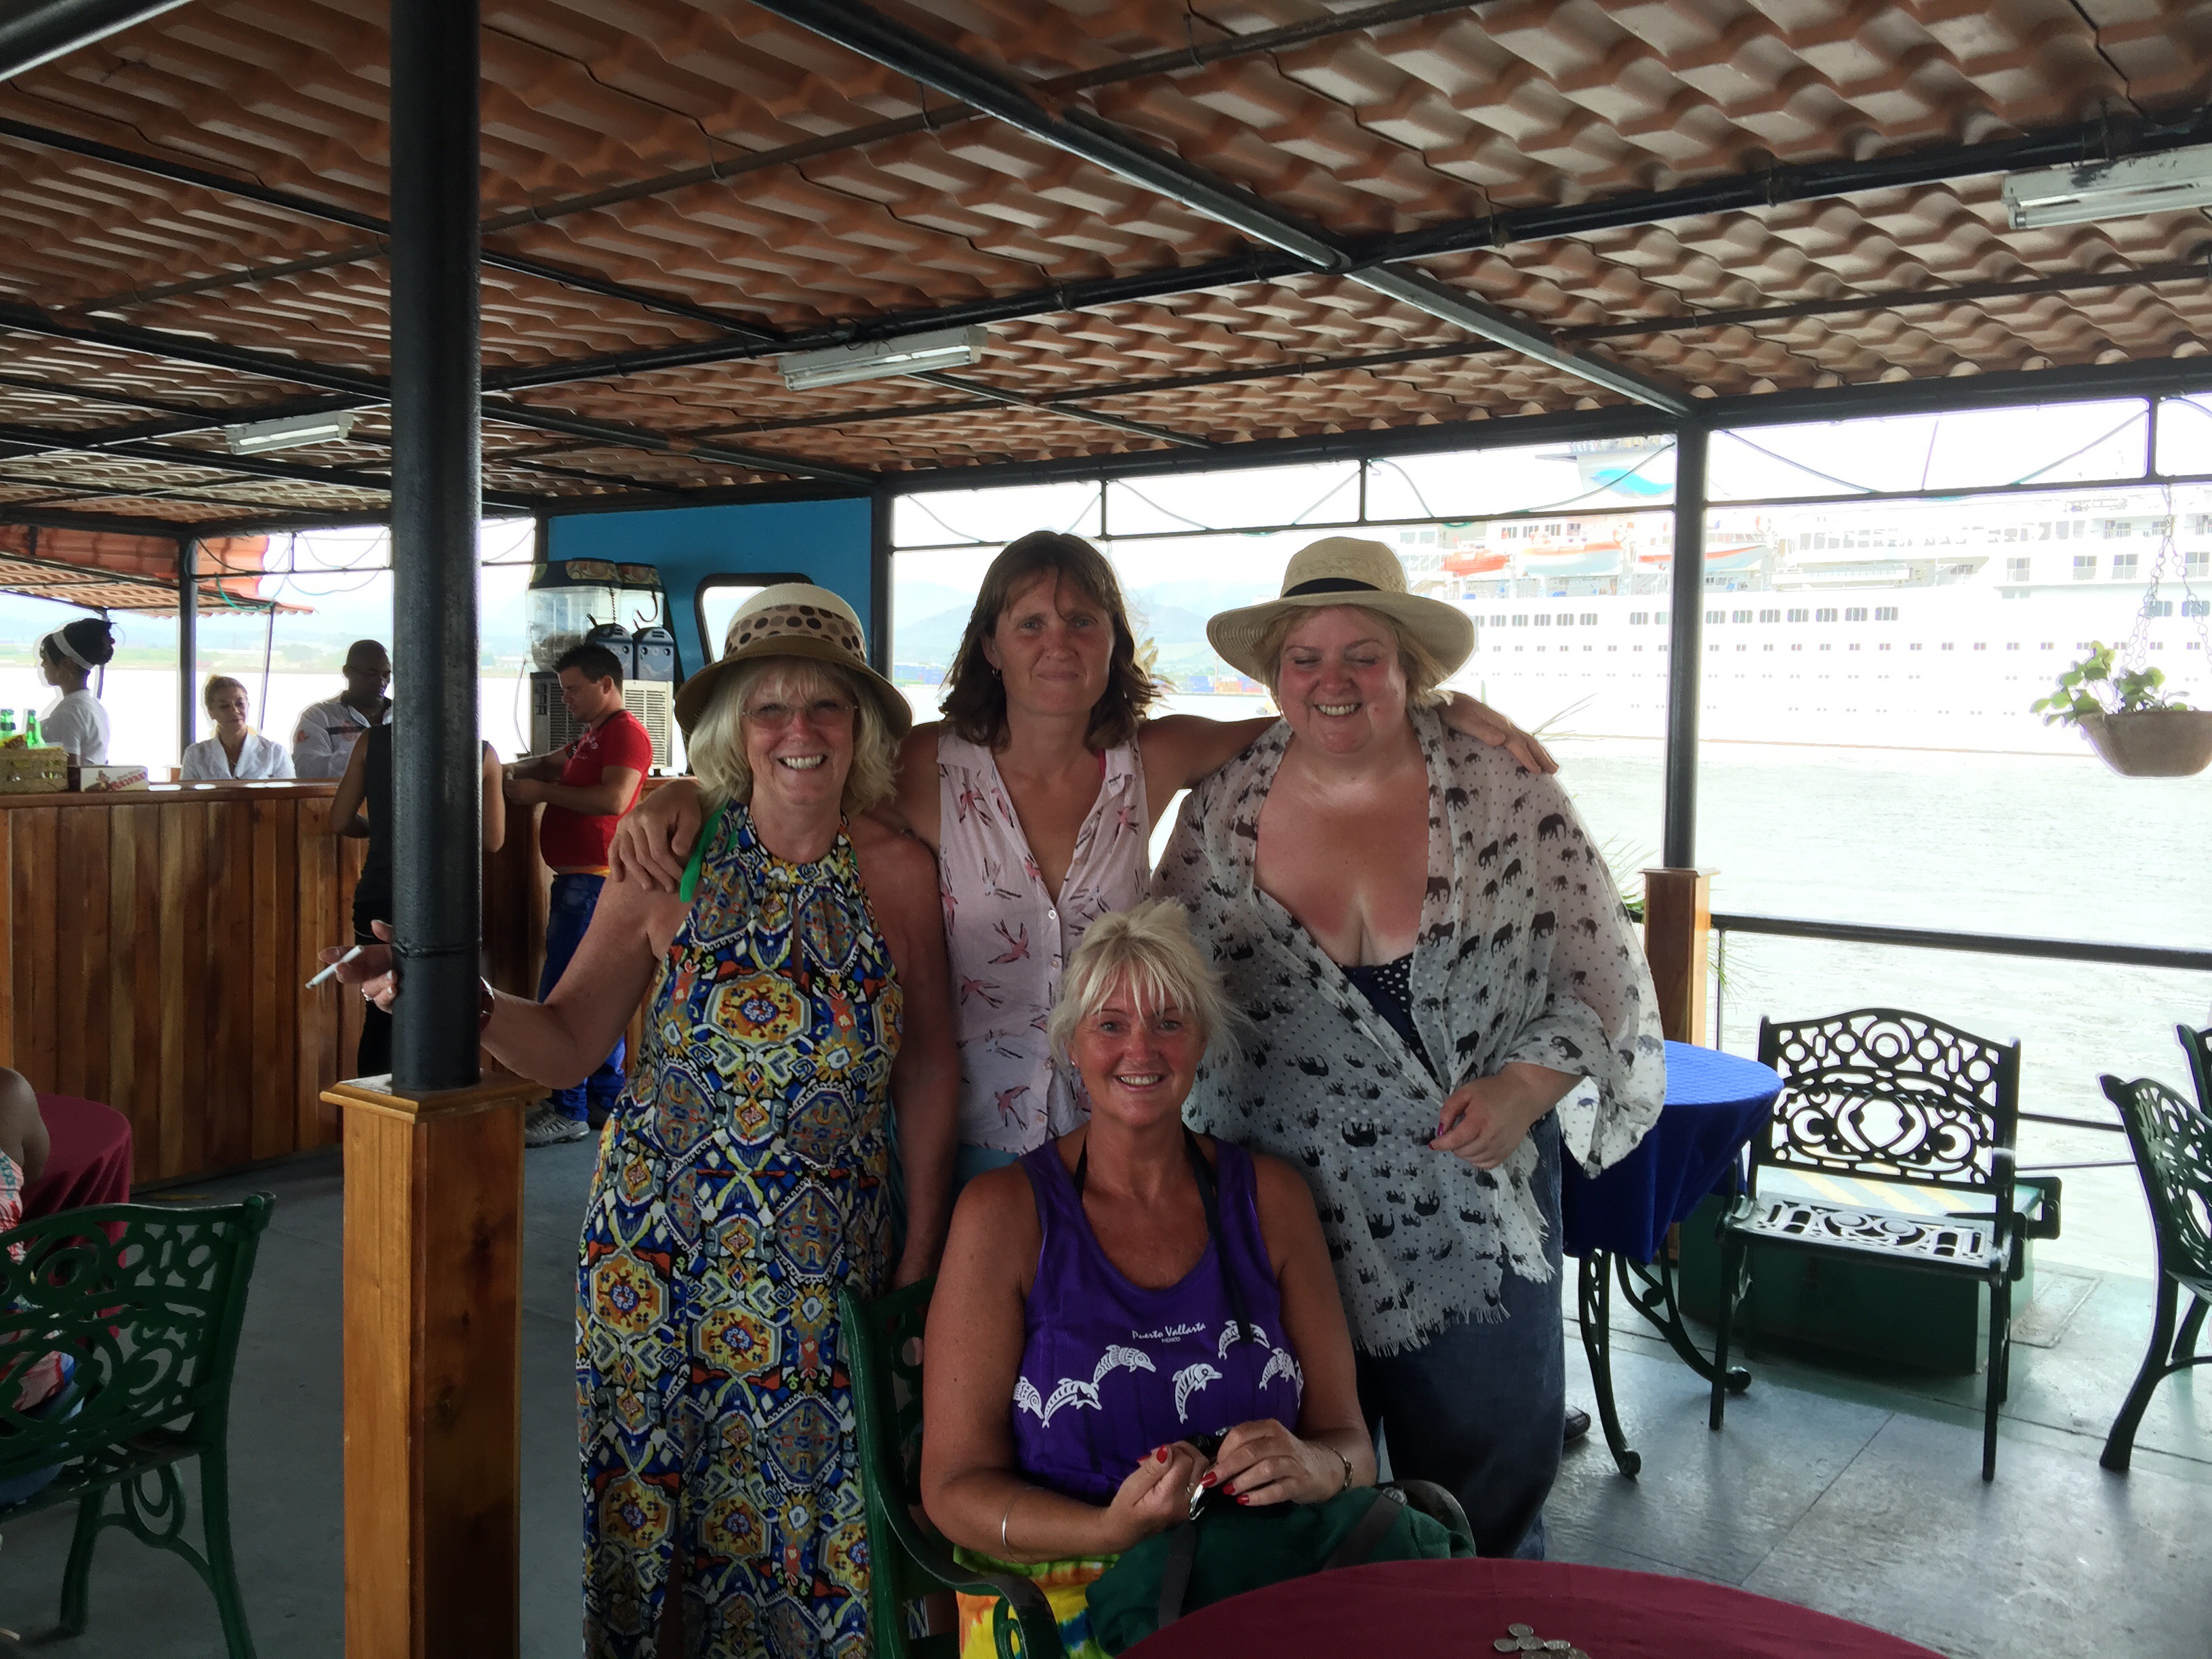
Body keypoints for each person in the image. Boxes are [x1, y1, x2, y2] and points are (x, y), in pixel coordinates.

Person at [331, 583, 958, 1658]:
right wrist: (450, 997)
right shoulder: (672, 854)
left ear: (860, 728)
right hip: (654, 1257)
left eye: (825, 706)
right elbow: (570, 1043)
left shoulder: (897, 869)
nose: (799, 731)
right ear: (733, 731)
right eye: (769, 708)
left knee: (817, 1521)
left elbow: (931, 1067)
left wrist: (924, 1248)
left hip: (825, 1258)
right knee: (655, 1515)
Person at [613, 531, 1553, 1193]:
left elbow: (1319, 716)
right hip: (960, 1142)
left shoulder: (1155, 758)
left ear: (1113, 642)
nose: (1058, 641)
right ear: (990, 644)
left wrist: (1435, 708)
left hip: (1113, 1144)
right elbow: (794, 769)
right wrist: (686, 793)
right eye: (1029, 623)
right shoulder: (925, 765)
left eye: (1082, 619)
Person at [1153, 537, 1664, 1560]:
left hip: (1471, 1212)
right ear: (1275, 677)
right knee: (1291, 1503)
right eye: (1305, 658)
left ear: (1409, 669)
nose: (1332, 681)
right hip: (1277, 1217)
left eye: (1363, 656)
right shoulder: (1223, 807)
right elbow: (1170, 983)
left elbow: (1601, 979)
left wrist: (1524, 1088)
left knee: (1485, 1497)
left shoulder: (1504, 792)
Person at [922, 900, 1372, 1659]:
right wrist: (1109, 1530)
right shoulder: (1003, 1216)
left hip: (1257, 1579)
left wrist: (1316, 1467)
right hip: (1066, 1601)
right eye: (1111, 1025)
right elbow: (953, 1489)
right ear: (1072, 1045)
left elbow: (1352, 1443)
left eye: (1169, 1022)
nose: (1141, 1048)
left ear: (1201, 1041)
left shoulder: (1272, 1200)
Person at [504, 642, 653, 1147]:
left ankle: (566, 1107)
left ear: (606, 685)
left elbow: (614, 799)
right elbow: (549, 764)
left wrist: (541, 794)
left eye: (573, 689)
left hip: (594, 883)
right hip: (580, 882)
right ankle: (603, 1097)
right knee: (595, 994)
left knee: (566, 997)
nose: (565, 699)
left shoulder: (626, 733)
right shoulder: (593, 737)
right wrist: (503, 769)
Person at [329, 720, 506, 1079]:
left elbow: (340, 820)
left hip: (379, 892)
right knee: (443, 1005)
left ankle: (376, 1108)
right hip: (448, 900)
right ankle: (440, 1101)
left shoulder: (372, 742)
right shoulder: (482, 753)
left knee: (380, 1009)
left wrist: (382, 831)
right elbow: (492, 839)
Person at [292, 639, 390, 780]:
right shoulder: (319, 717)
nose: (381, 681)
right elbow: (308, 771)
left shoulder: (405, 717)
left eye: (386, 675)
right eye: (371, 674)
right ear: (347, 672)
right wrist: (366, 759)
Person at [181, 676, 295, 780]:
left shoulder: (275, 752)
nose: (234, 710)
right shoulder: (195, 755)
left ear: (248, 706)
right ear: (211, 713)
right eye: (225, 706)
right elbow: (188, 795)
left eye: (240, 704)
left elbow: (288, 795)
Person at [36, 617, 115, 765]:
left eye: (46, 659)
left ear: (66, 664)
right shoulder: (93, 705)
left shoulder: (69, 712)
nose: (42, 665)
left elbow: (69, 770)